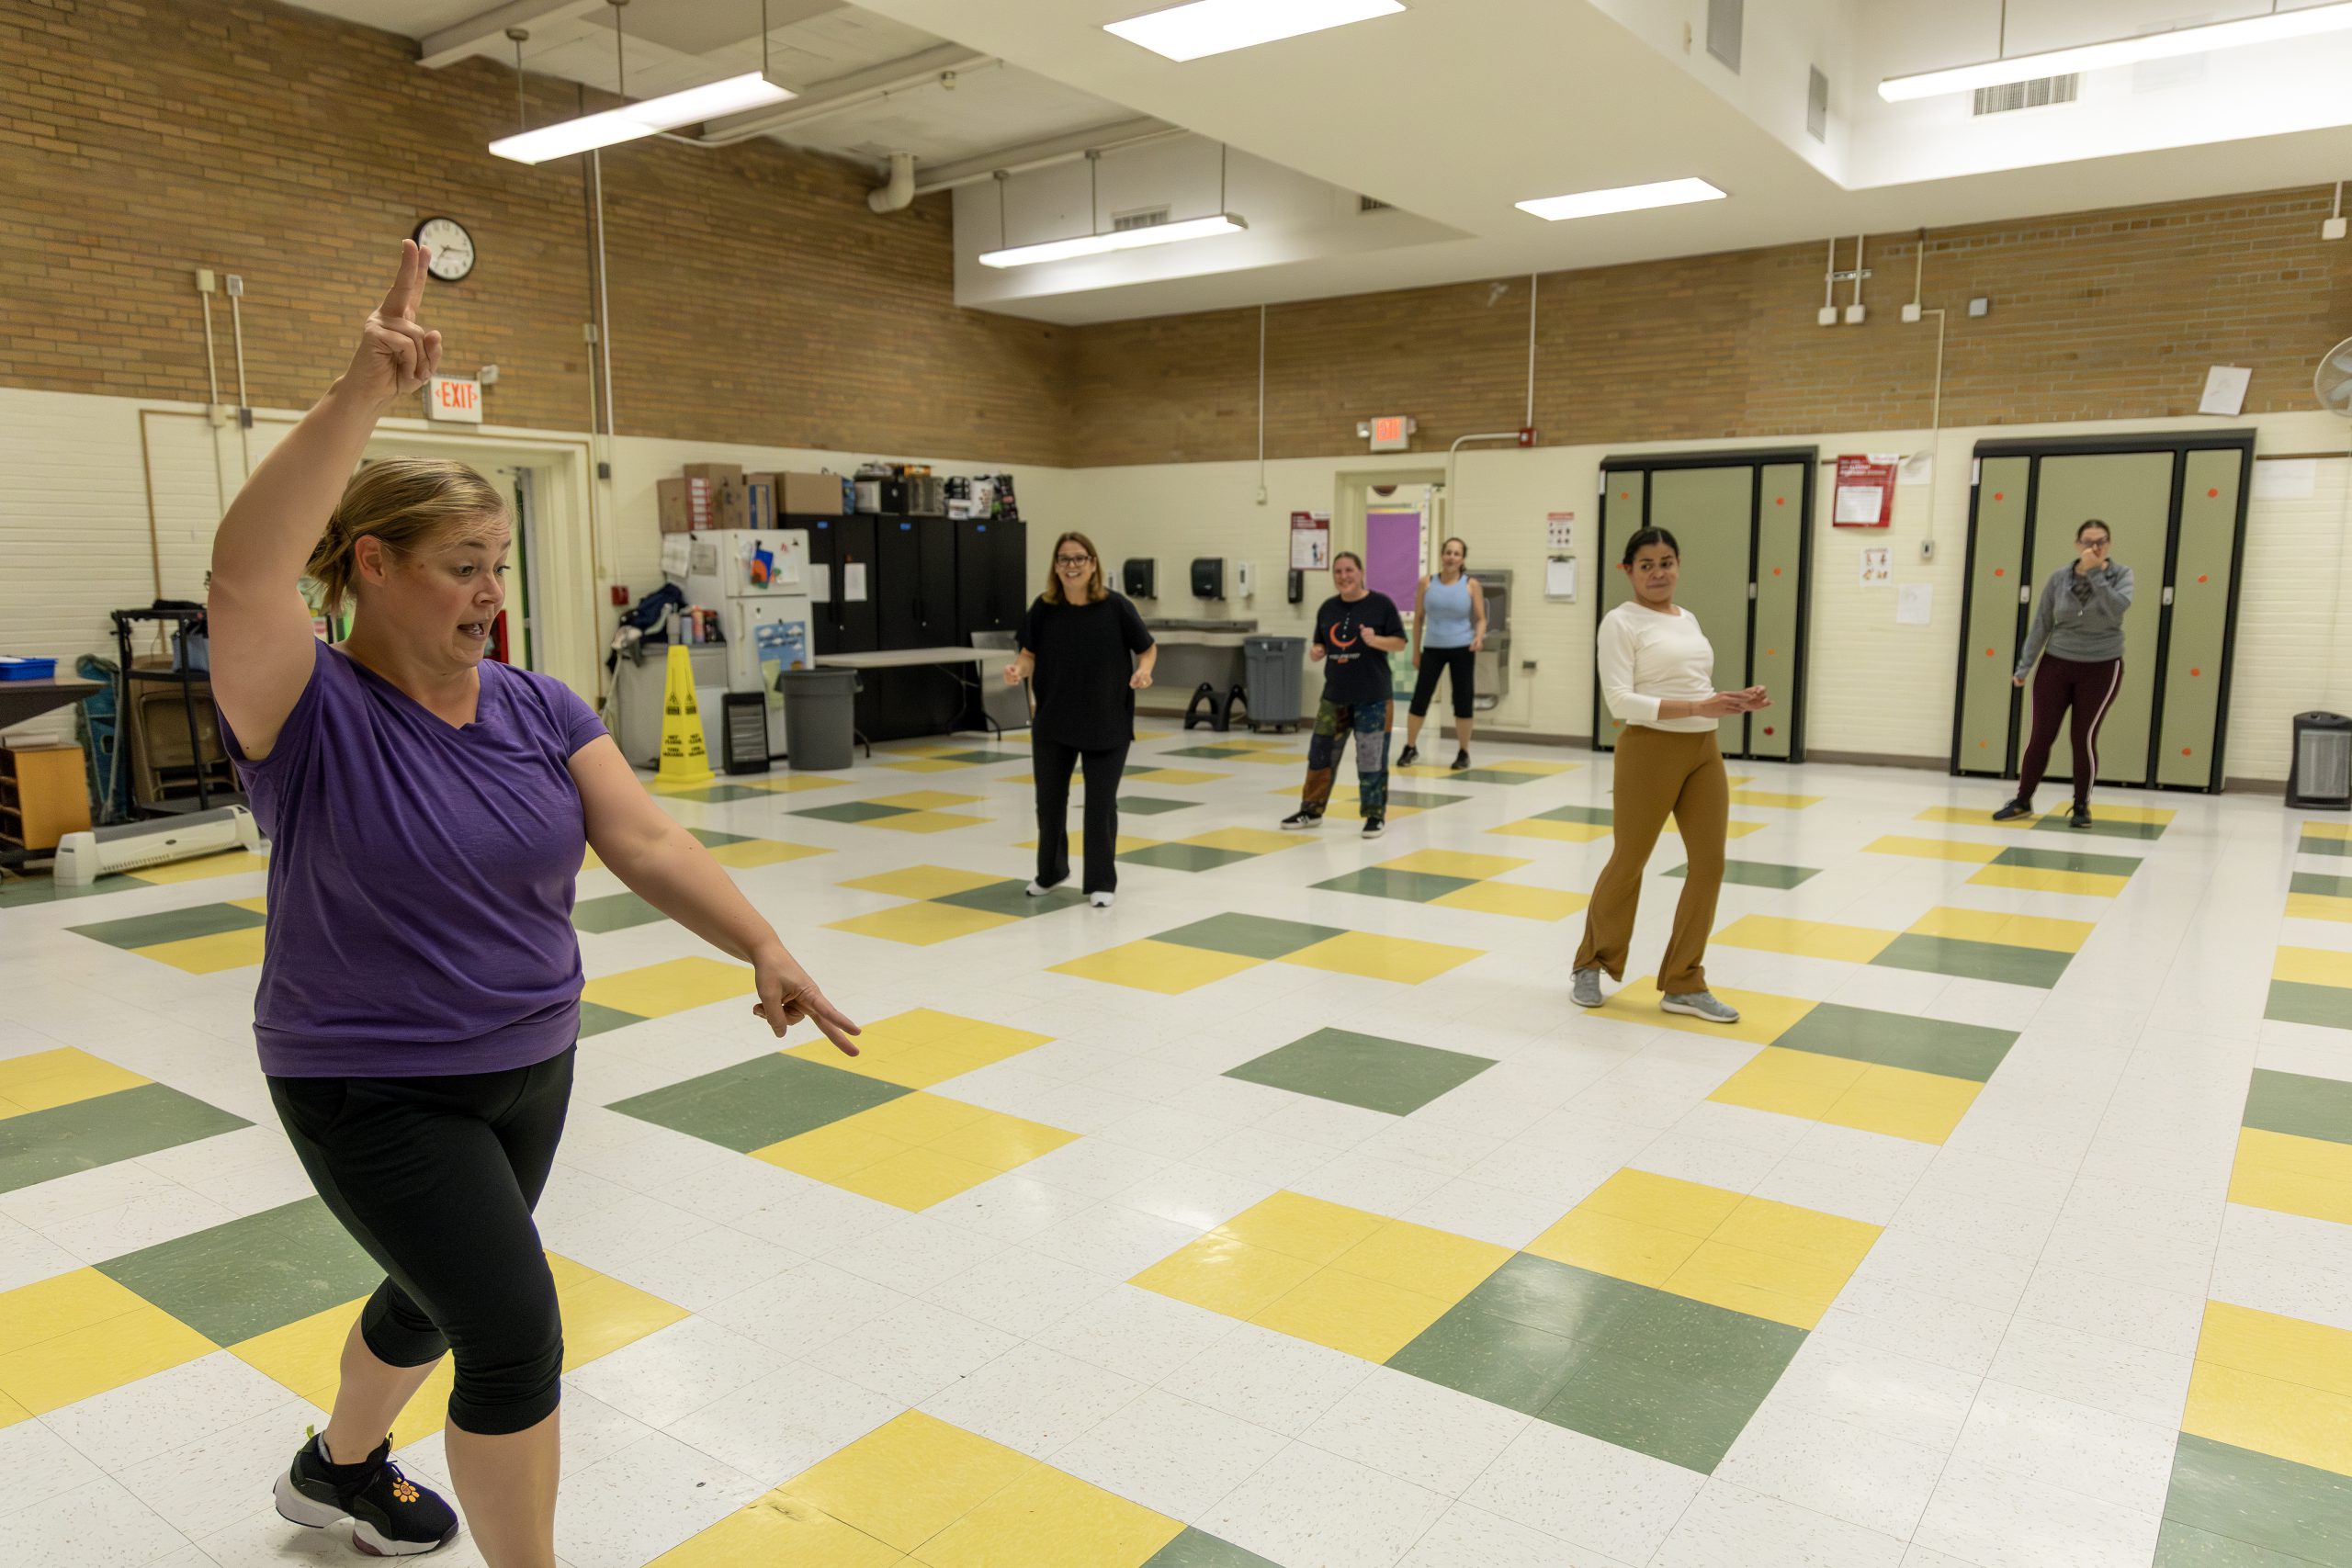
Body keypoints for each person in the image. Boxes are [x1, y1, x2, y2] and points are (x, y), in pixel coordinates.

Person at [206, 242, 859, 1567]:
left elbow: (645, 835)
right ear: (371, 564)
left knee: (432, 1293)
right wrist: (360, 390)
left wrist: (761, 940)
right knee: (511, 1332)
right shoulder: (308, 706)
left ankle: (336, 1469)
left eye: (499, 562)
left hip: (530, 1060)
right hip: (370, 1079)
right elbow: (243, 577)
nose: (493, 594)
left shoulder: (537, 705)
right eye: (463, 565)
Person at [1571, 527, 1767, 1024]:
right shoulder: (1620, 622)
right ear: (1628, 570)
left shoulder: (1688, 618)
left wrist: (1732, 701)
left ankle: (1684, 981)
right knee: (1629, 861)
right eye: (1647, 565)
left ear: (1678, 565)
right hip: (1649, 750)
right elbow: (1620, 701)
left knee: (1710, 865)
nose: (1658, 573)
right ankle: (1591, 963)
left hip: (1703, 749)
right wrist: (1699, 706)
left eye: (1667, 563)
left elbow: (1694, 685)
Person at [1005, 530, 1156, 908]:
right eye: (1064, 559)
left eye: (1078, 558)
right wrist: (1018, 670)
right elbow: (1028, 654)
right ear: (1055, 567)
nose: (1071, 565)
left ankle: (1101, 881)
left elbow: (1148, 648)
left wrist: (1144, 671)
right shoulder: (1044, 607)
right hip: (1054, 721)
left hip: (1107, 720)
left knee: (1100, 804)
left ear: (1092, 564)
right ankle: (1051, 872)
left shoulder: (1115, 607)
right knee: (1049, 803)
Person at [1994, 519, 2133, 829]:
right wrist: (2024, 666)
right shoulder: (2059, 578)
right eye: (2088, 541)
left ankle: (2081, 806)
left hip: (2102, 665)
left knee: (2082, 737)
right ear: (2077, 544)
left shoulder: (2121, 575)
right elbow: (2042, 622)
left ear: (2109, 544)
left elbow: (2117, 609)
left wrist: (2095, 573)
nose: (2094, 547)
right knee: (2041, 735)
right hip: (2057, 663)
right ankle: (2022, 800)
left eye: (2100, 541)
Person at [1282, 550, 1408, 838]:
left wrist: (1375, 640)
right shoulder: (1328, 609)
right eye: (1338, 572)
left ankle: (1374, 815)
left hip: (1373, 696)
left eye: (1349, 570)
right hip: (1334, 696)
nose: (1344, 576)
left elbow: (1400, 643)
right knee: (1320, 755)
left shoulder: (1381, 604)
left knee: (1371, 758)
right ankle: (1311, 810)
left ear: (1361, 573)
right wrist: (1318, 651)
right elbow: (1321, 643)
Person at [1397, 536, 1487, 772]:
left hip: (1462, 648)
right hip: (1433, 648)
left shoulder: (1471, 585)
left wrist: (1478, 637)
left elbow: (1481, 618)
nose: (1451, 557)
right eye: (1448, 552)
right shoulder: (1426, 583)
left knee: (1462, 700)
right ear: (1441, 555)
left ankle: (1463, 751)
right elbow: (1418, 619)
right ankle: (1410, 747)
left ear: (1462, 559)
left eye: (1457, 554)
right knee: (1420, 698)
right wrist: (1416, 652)